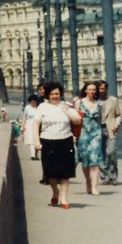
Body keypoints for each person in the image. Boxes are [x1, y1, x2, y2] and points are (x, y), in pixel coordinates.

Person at [33, 81, 81, 209]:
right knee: (50, 172)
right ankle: (55, 191)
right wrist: (36, 141)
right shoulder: (42, 107)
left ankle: (64, 199)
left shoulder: (65, 105)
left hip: (65, 140)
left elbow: (77, 121)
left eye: (57, 94)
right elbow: (36, 124)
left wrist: (68, 111)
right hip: (48, 141)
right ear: (48, 95)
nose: (55, 96)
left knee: (66, 171)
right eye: (52, 94)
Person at [73, 82, 105, 196]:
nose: (92, 91)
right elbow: (75, 119)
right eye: (89, 89)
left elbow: (101, 119)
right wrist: (74, 135)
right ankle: (88, 181)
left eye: (93, 89)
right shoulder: (79, 102)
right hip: (83, 133)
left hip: (96, 133)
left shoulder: (100, 104)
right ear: (85, 90)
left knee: (95, 160)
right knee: (86, 161)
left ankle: (94, 187)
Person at [98, 80, 121, 185]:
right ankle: (105, 176)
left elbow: (118, 115)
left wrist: (116, 124)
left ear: (106, 89)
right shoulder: (94, 101)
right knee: (101, 153)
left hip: (110, 129)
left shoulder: (112, 100)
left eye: (103, 88)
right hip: (97, 130)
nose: (101, 90)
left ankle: (113, 175)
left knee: (111, 152)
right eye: (99, 88)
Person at [19, 95, 41, 160]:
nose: (33, 103)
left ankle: (36, 154)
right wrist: (22, 126)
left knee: (36, 140)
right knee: (31, 140)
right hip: (29, 125)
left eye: (34, 102)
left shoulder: (39, 108)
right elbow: (24, 117)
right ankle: (32, 155)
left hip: (37, 124)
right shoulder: (27, 108)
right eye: (32, 102)